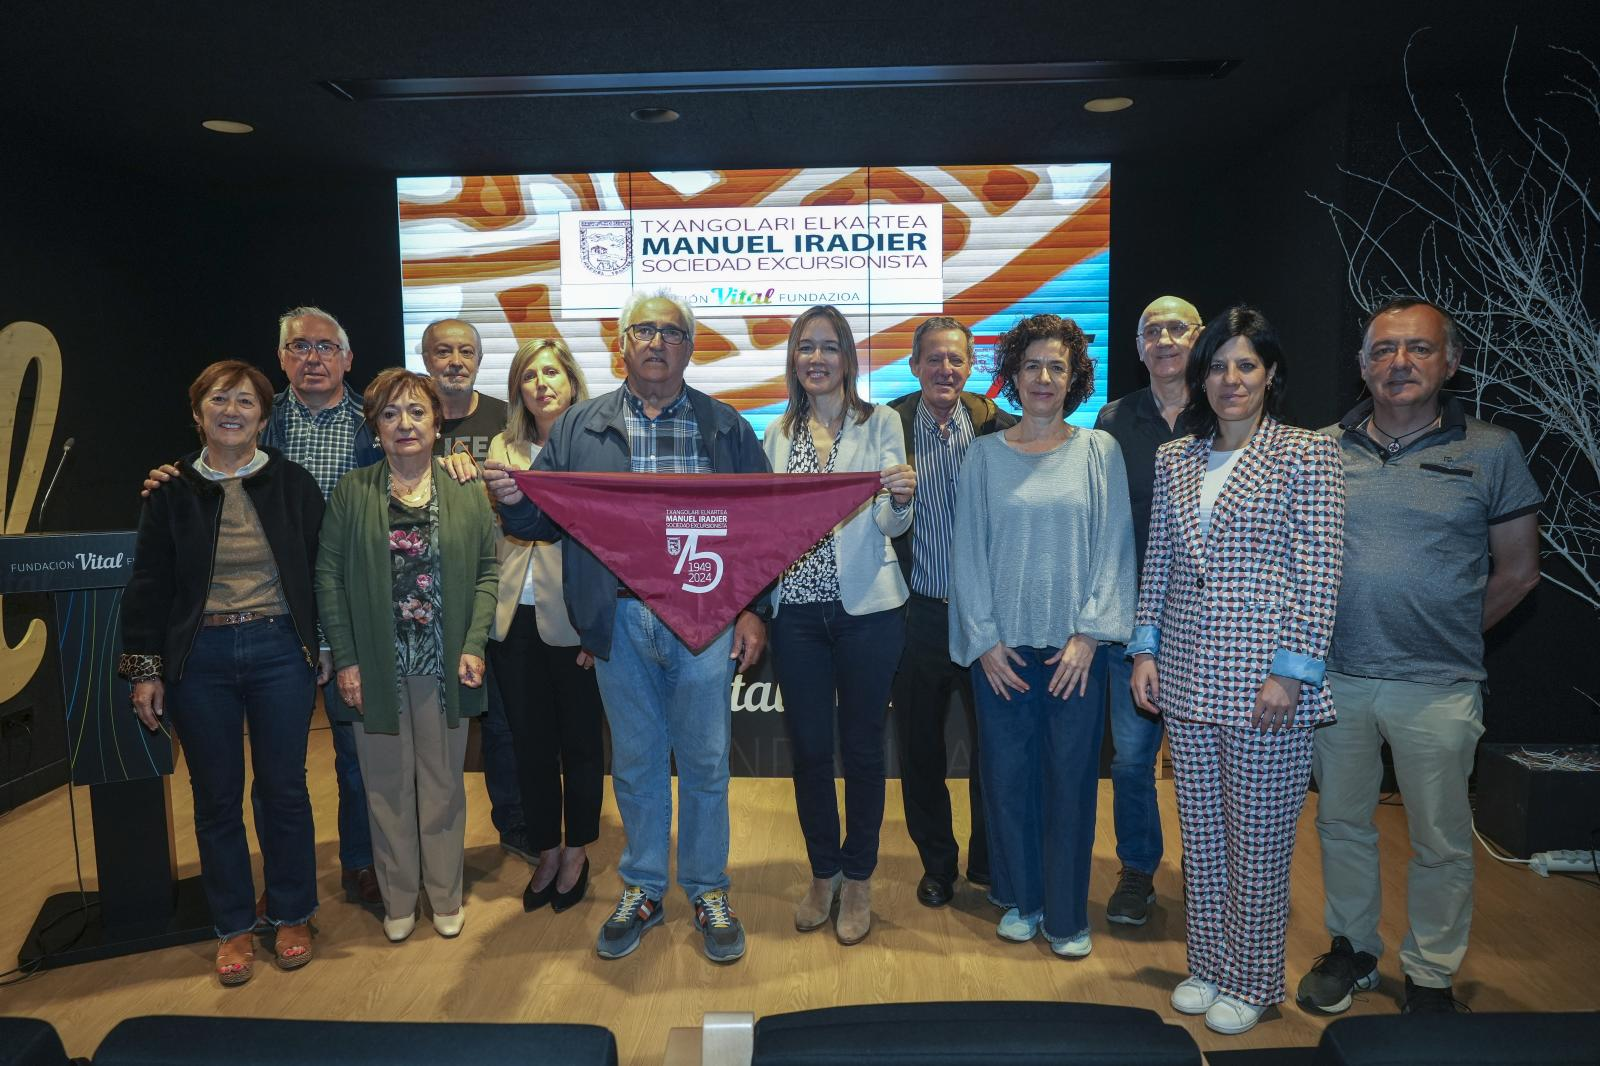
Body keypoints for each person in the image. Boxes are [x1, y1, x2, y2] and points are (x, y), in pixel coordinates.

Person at [484, 289, 770, 965]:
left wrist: (754, 607)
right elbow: (542, 520)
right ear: (622, 344)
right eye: (642, 330)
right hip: (617, 620)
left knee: (703, 764)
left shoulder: (726, 426)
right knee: (638, 764)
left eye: (669, 333)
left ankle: (706, 890)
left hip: (702, 621)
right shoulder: (581, 427)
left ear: (688, 347)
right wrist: (511, 501)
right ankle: (643, 887)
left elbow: (762, 526)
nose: (654, 342)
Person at [1297, 298, 1541, 1015]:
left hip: (1437, 686)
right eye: (1383, 350)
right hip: (1335, 679)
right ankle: (1352, 951)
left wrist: (1451, 636)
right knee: (1341, 824)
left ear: (1451, 362)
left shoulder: (1491, 451)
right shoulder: (1318, 448)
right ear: (1362, 366)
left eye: (1419, 349)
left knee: (1440, 842)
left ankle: (1431, 974)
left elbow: (1519, 571)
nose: (1399, 363)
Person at [1129, 305, 1345, 1035]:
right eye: (1217, 366)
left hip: (1265, 687)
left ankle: (1253, 981)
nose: (1229, 379)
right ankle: (1209, 965)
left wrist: (1292, 673)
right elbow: (1159, 560)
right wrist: (1145, 648)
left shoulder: (1307, 452)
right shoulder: (1175, 457)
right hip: (1187, 678)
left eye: (1245, 365)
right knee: (1204, 836)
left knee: (1259, 843)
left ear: (1271, 374)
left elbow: (1318, 572)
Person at [142, 306, 384, 911]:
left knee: (348, 764)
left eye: (327, 347)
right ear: (281, 361)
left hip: (339, 620)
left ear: (348, 358)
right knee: (224, 790)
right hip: (246, 638)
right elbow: (157, 574)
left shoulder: (374, 423)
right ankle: (237, 915)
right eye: (299, 347)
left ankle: (357, 865)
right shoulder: (248, 435)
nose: (313, 358)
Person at [120, 360, 325, 986]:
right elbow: (149, 585)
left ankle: (292, 911)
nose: (231, 409)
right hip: (199, 660)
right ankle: (233, 924)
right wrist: (145, 670)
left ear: (264, 416)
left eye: (245, 401)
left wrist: (329, 647)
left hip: (280, 652)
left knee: (284, 790)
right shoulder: (171, 489)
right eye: (218, 399)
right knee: (214, 800)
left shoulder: (293, 483)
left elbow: (323, 574)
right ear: (197, 411)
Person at [949, 314, 1136, 961]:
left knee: (1070, 781)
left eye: (1057, 367)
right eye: (1032, 366)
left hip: (1073, 655)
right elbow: (966, 554)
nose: (1044, 378)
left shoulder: (1098, 452)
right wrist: (983, 642)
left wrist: (1089, 636)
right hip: (1001, 653)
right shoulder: (981, 457)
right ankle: (1023, 901)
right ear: (1013, 376)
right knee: (1006, 779)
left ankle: (1065, 914)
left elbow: (1114, 548)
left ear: (1074, 377)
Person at [315, 368, 498, 943]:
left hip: (446, 666)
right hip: (376, 666)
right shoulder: (352, 491)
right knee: (386, 788)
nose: (405, 424)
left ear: (437, 422)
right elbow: (328, 578)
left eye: (417, 412)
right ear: (375, 428)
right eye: (390, 414)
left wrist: (474, 643)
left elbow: (490, 571)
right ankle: (398, 898)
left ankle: (444, 894)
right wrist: (344, 658)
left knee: (443, 783)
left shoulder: (466, 488)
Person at [762, 306, 916, 945]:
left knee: (860, 750)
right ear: (794, 360)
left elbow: (891, 525)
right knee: (809, 751)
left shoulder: (878, 423)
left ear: (848, 358)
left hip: (867, 612)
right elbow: (765, 529)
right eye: (805, 348)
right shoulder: (775, 433)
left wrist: (903, 497)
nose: (816, 359)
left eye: (828, 347)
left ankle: (859, 878)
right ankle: (822, 872)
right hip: (794, 613)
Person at [888, 316, 1015, 909]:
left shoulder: (999, 429)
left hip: (986, 619)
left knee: (997, 747)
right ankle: (938, 865)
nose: (945, 369)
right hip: (917, 618)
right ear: (914, 366)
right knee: (920, 752)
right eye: (933, 359)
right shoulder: (885, 426)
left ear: (972, 367)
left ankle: (990, 864)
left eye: (956, 360)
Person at [1092, 295, 1203, 925]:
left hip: (1204, 627)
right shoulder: (1112, 421)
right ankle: (1137, 871)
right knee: (1132, 761)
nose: (1164, 340)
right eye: (1151, 330)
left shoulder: (1226, 415)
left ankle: (1210, 870)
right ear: (1137, 348)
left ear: (1199, 339)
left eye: (1177, 329)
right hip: (1129, 625)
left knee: (1200, 761)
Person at [485, 338, 606, 914]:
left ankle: (579, 848)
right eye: (530, 374)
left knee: (580, 743)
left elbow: (609, 544)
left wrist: (595, 625)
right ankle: (547, 848)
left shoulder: (596, 447)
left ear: (573, 381)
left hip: (575, 618)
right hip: (513, 619)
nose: (541, 383)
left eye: (552, 372)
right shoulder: (501, 447)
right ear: (518, 389)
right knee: (528, 744)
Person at [420, 317, 529, 864]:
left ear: (480, 360)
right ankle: (431, 844)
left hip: (496, 587)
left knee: (503, 721)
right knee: (434, 725)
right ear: (426, 357)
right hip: (424, 597)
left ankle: (512, 826)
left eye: (466, 351)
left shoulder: (503, 419)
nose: (455, 361)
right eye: (443, 351)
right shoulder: (411, 418)